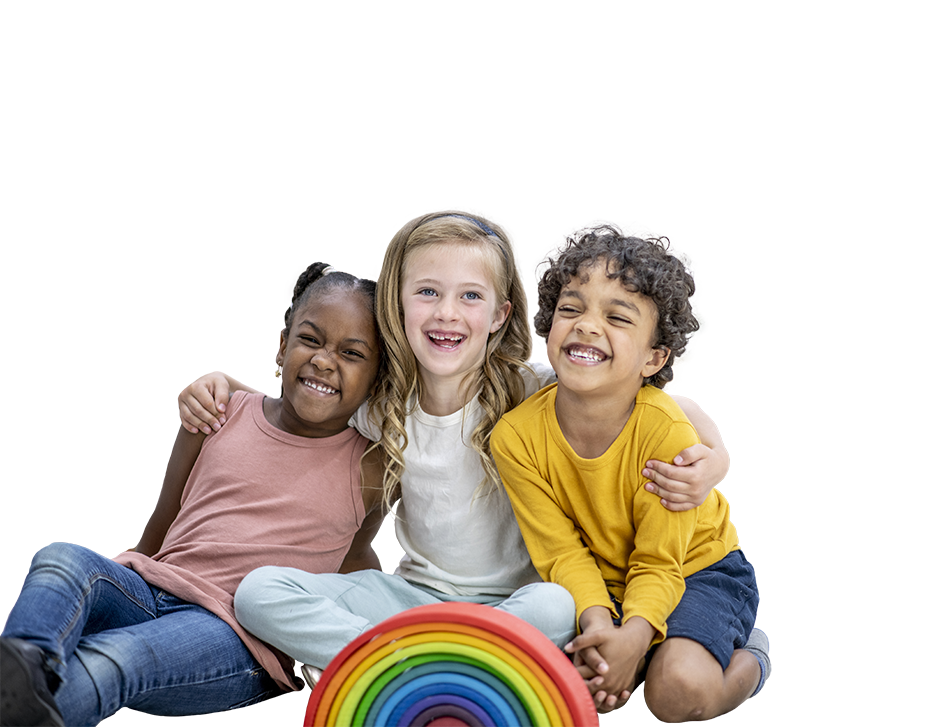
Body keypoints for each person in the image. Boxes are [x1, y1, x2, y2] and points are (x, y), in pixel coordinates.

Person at [175, 211, 732, 684]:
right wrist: (227, 391)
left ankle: (395, 663)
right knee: (259, 592)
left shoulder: (530, 387)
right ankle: (425, 663)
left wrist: (716, 458)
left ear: (499, 315)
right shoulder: (378, 405)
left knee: (558, 604)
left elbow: (664, 406)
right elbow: (302, 401)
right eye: (427, 293)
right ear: (396, 305)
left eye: (470, 296)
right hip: (413, 598)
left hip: (515, 604)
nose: (446, 313)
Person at [0, 263, 385, 727]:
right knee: (62, 558)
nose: (325, 359)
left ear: (378, 379)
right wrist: (131, 588)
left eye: (351, 352)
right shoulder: (219, 413)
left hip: (237, 638)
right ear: (282, 348)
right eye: (310, 339)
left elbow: (356, 561)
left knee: (113, 657)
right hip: (152, 591)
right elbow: (165, 516)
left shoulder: (370, 466)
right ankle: (25, 666)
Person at [491, 223, 769, 723]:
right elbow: (561, 553)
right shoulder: (515, 437)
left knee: (677, 692)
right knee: (568, 693)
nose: (587, 325)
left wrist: (636, 636)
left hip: (698, 570)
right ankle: (639, 656)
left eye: (617, 317)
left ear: (654, 358)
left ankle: (752, 657)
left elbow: (660, 561)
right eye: (570, 309)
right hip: (602, 578)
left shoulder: (665, 430)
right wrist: (601, 625)